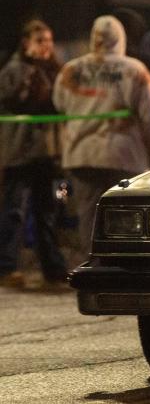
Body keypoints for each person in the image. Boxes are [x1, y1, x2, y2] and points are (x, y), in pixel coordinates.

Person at [53, 16, 150, 259]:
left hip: (81, 154)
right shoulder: (134, 70)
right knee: (126, 217)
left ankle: (92, 264)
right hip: (123, 155)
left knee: (88, 216)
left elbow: (59, 104)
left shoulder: (71, 70)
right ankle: (121, 268)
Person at [0, 20, 68, 288]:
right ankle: (7, 267)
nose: (47, 46)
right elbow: (13, 100)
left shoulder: (55, 71)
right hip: (20, 151)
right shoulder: (14, 70)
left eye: (49, 40)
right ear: (26, 42)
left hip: (47, 152)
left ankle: (53, 268)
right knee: (15, 210)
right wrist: (31, 73)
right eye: (41, 41)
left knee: (47, 210)